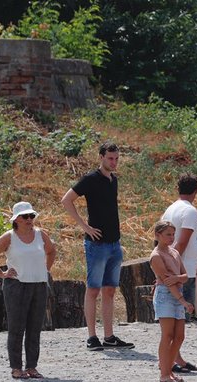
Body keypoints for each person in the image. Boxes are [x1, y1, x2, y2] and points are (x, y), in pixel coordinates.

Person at [61, 142, 134, 351]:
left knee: (110, 290)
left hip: (114, 242)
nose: (114, 162)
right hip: (96, 243)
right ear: (101, 157)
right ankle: (92, 336)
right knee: (93, 289)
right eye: (110, 158)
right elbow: (67, 200)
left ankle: (109, 335)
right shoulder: (90, 179)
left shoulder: (113, 180)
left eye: (116, 158)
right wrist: (85, 226)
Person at [0, 201, 56, 380]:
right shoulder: (10, 237)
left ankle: (32, 366)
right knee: (16, 327)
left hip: (38, 284)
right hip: (17, 284)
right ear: (16, 219)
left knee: (35, 327)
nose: (29, 219)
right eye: (25, 216)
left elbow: (52, 251)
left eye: (32, 216)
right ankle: (16, 367)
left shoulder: (40, 235)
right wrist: (1, 273)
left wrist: (45, 269)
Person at [161, 173, 197, 373]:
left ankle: (177, 358)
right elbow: (182, 242)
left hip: (176, 269)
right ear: (195, 191)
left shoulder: (170, 209)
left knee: (177, 318)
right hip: (182, 270)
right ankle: (173, 360)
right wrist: (174, 267)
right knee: (178, 318)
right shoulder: (190, 211)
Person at [150, 221, 193, 382]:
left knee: (179, 335)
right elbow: (166, 280)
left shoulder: (174, 252)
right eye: (168, 234)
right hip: (166, 296)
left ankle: (169, 367)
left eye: (173, 234)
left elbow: (185, 276)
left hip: (177, 293)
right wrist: (183, 301)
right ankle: (164, 373)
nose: (171, 237)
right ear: (158, 235)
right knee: (167, 334)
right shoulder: (156, 256)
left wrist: (177, 279)